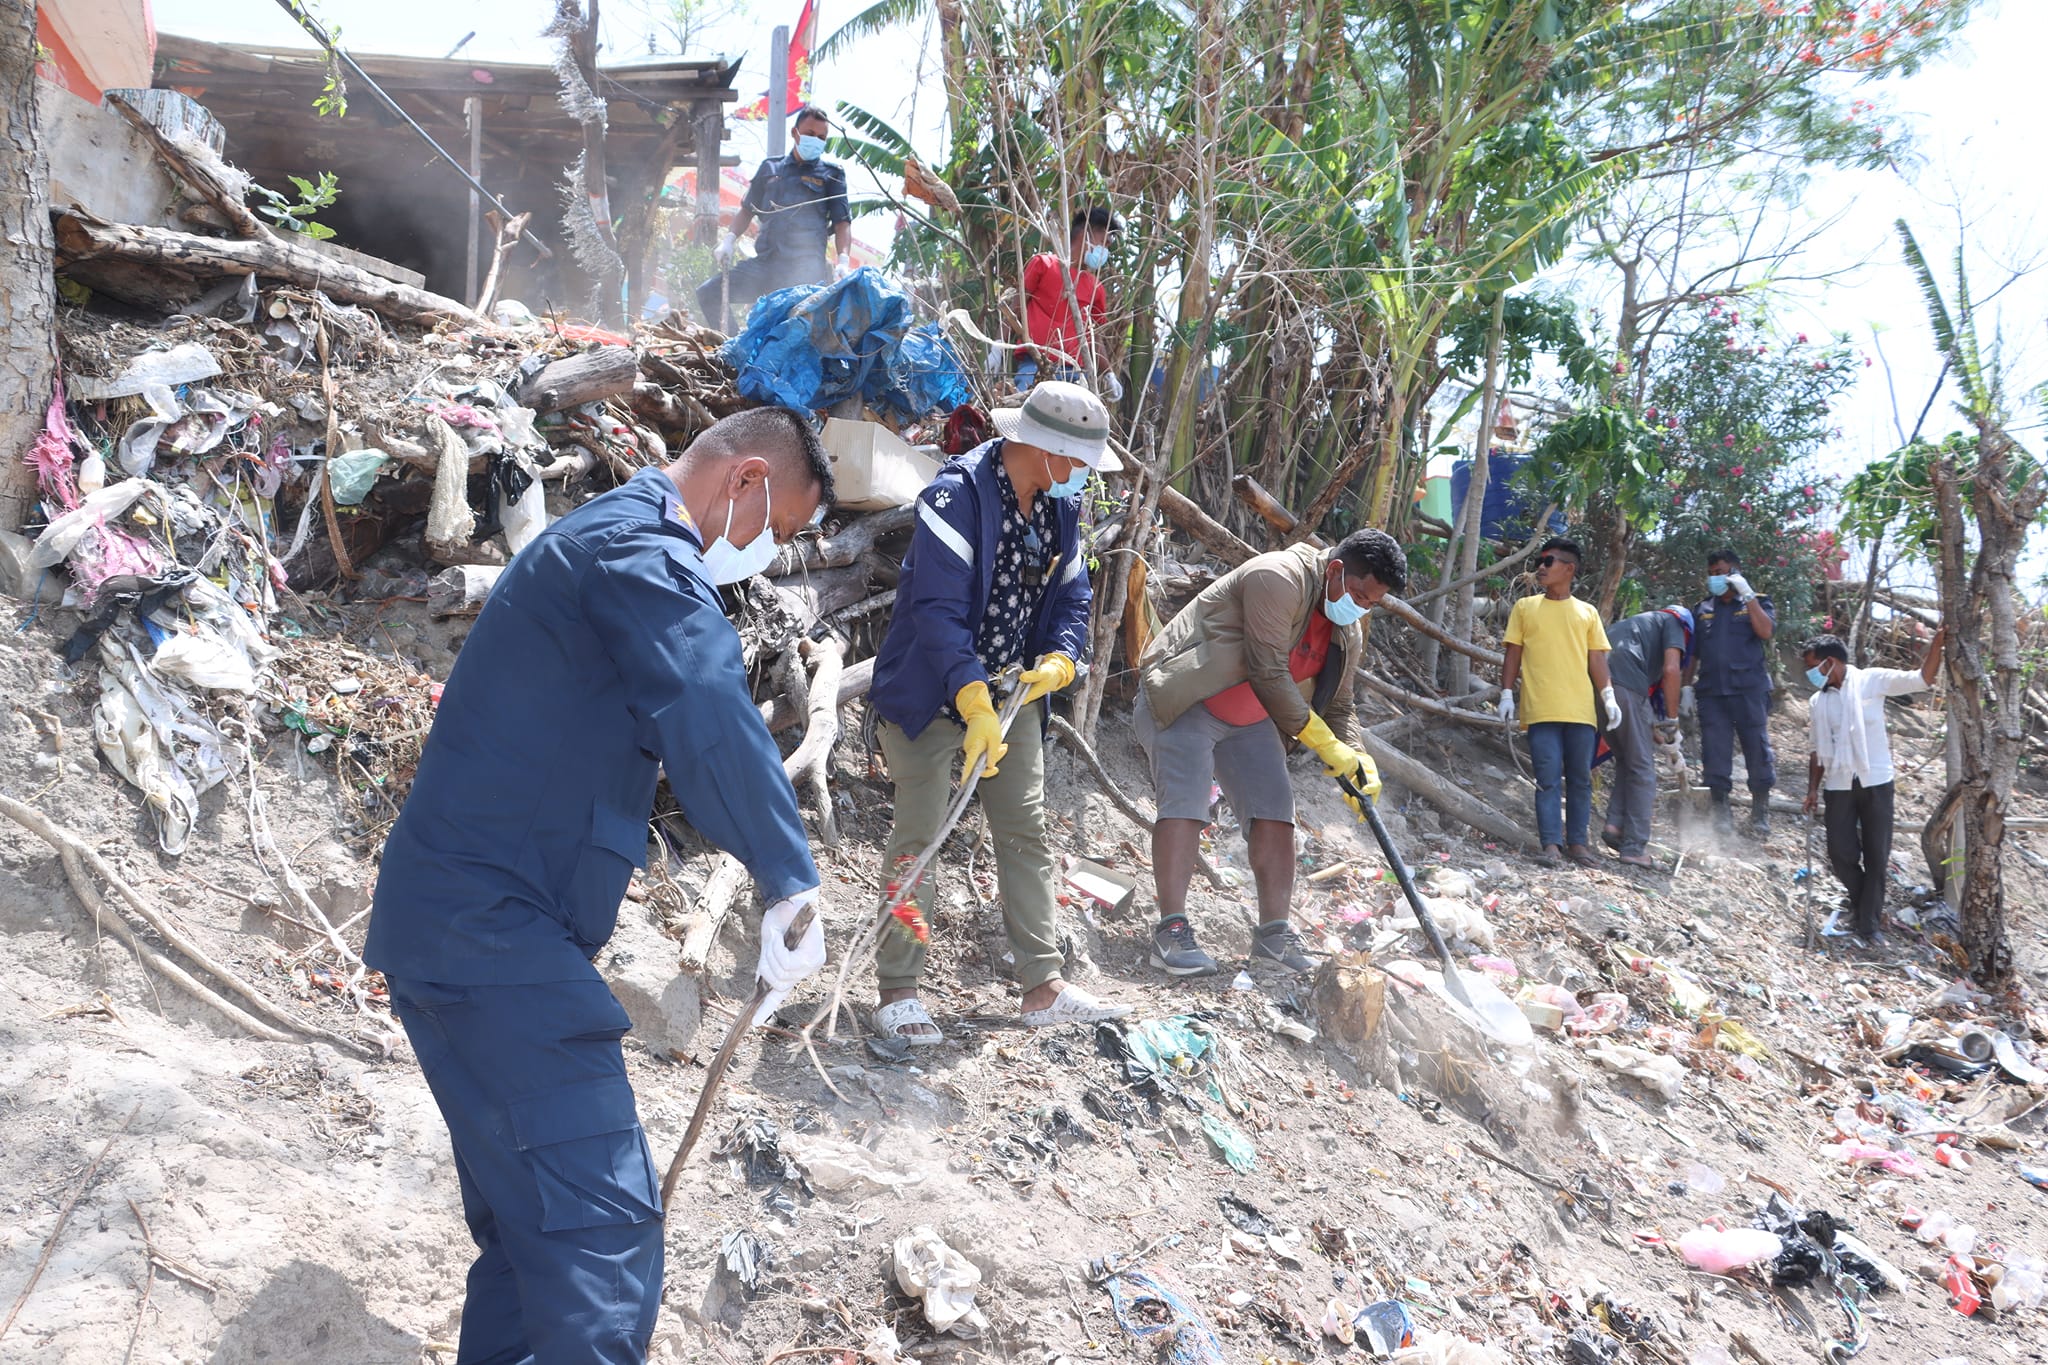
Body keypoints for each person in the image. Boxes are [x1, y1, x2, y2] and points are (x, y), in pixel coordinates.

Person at [364, 408, 835, 1363]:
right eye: (775, 527)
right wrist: (787, 873)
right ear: (744, 480)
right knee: (603, 1238)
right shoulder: (638, 550)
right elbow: (704, 697)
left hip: (467, 933)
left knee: (533, 1238)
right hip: (491, 939)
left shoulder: (608, 545)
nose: (766, 552)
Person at [866, 381, 1128, 1043]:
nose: (1085, 477)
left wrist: (1062, 661)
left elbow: (1071, 602)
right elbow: (937, 613)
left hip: (1012, 696)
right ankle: (898, 992)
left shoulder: (1058, 510)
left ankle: (1042, 986)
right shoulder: (954, 497)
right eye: (1079, 462)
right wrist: (971, 698)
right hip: (931, 695)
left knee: (1026, 830)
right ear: (1044, 450)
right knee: (919, 838)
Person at [1135, 527, 1408, 977]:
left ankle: (1274, 935)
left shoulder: (1348, 631)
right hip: (1187, 697)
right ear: (1336, 570)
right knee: (1186, 804)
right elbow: (1267, 670)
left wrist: (1359, 759)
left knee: (1276, 814)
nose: (1360, 608)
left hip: (1251, 717)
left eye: (1371, 603)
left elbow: (1341, 704)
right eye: (1358, 594)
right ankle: (1171, 931)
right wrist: (1322, 742)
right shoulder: (1277, 576)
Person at [1801, 626, 1944, 940]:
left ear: (1831, 662)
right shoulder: (1817, 701)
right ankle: (1864, 902)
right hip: (1838, 784)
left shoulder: (1872, 680)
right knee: (1840, 854)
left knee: (1877, 855)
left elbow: (1922, 679)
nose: (1810, 674)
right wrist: (1812, 789)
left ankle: (1868, 926)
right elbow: (1816, 749)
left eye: (1813, 667)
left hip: (1876, 781)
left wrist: (1937, 643)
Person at [1498, 537, 1619, 868]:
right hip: (1540, 710)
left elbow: (1597, 659)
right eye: (1540, 561)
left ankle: (1578, 843)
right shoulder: (1525, 608)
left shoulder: (1587, 612)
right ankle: (1551, 843)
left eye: (1548, 561)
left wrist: (1608, 696)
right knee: (1547, 778)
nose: (1541, 567)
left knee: (1580, 777)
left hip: (1580, 711)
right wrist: (1506, 693)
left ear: (1569, 568)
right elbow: (1513, 654)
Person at [696, 105, 853, 332]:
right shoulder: (770, 168)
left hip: (805, 273)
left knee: (791, 333)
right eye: (809, 134)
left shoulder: (832, 175)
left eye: (821, 137)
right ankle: (734, 347)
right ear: (795, 133)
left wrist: (844, 261)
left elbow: (842, 223)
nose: (815, 140)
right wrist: (729, 239)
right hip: (766, 265)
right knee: (709, 293)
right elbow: (747, 210)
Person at [1685, 548, 1777, 837]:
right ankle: (1720, 811)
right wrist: (1686, 688)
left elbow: (1766, 632)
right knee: (1714, 751)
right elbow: (1693, 654)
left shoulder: (1757, 602)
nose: (1715, 578)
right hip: (1712, 693)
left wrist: (1747, 594)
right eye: (1711, 573)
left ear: (1735, 572)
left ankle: (1759, 812)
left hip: (1749, 690)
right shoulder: (1702, 609)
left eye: (1721, 572)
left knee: (1757, 749)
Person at [1598, 605, 1692, 868]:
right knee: (1642, 769)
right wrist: (1672, 720)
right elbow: (1672, 670)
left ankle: (1615, 826)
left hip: (1599, 686)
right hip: (1626, 686)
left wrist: (1657, 733)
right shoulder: (1675, 623)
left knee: (1627, 760)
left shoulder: (1639, 626)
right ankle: (1635, 847)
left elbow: (1639, 708)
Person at [1017, 206, 1123, 398]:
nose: (1104, 251)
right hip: (1033, 364)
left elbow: (1094, 337)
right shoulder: (1044, 264)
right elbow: (1016, 307)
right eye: (1103, 243)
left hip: (1074, 373)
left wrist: (1108, 373)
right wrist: (997, 347)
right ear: (1085, 234)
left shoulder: (1095, 287)